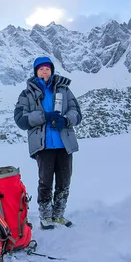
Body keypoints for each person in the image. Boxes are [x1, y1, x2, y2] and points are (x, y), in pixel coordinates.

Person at [13, 56, 82, 230]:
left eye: (48, 68)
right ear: (36, 72)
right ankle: (45, 217)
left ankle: (58, 215)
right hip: (43, 146)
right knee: (45, 181)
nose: (45, 71)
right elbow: (21, 119)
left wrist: (66, 120)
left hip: (64, 143)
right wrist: (44, 116)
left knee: (64, 180)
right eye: (41, 68)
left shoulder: (64, 90)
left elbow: (76, 112)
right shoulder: (27, 94)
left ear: (52, 70)